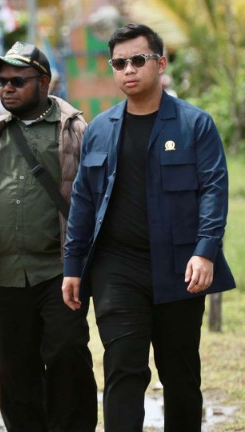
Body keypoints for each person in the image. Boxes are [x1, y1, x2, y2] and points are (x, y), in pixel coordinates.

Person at [62, 23, 235, 431]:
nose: (128, 70)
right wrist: (72, 264)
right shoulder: (101, 129)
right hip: (117, 269)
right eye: (119, 63)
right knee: (123, 369)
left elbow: (214, 189)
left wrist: (205, 251)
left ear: (160, 63)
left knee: (180, 374)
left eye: (138, 60)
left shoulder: (195, 125)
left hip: (180, 267)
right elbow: (84, 201)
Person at [0, 42, 98, 432]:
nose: (7, 88)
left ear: (44, 81)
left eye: (17, 80)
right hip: (3, 273)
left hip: (60, 272)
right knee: (15, 367)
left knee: (68, 354)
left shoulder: (75, 130)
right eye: (0, 81)